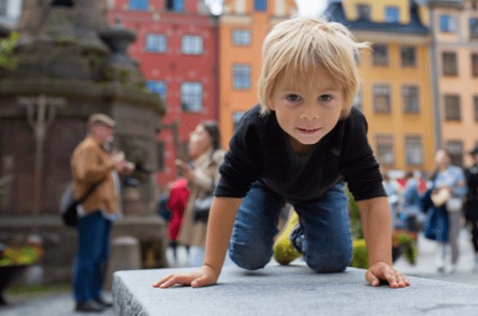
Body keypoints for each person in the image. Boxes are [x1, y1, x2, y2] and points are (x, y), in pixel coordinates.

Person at [154, 17, 409, 289]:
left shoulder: (350, 125)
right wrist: (210, 267)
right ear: (271, 95)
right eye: (293, 98)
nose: (310, 114)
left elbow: (371, 194)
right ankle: (276, 230)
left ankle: (297, 234)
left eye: (325, 98)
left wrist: (381, 261)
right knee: (247, 257)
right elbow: (227, 193)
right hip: (265, 185)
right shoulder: (254, 126)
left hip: (323, 188)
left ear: (345, 97)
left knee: (332, 261)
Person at [71, 113, 133, 312]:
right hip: (93, 209)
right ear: (95, 128)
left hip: (104, 210)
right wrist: (112, 164)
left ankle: (94, 295)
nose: (109, 134)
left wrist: (120, 168)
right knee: (89, 255)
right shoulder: (88, 148)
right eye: (106, 129)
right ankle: (83, 298)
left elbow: (104, 172)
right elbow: (85, 173)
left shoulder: (99, 149)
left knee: (99, 256)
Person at [176, 121, 225, 267]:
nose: (194, 137)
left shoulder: (219, 156)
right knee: (196, 257)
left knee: (203, 258)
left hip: (209, 213)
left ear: (212, 137)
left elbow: (220, 186)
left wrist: (193, 176)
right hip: (199, 213)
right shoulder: (201, 159)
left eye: (199, 133)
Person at [430, 149, 466, 274]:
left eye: (443, 157)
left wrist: (450, 189)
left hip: (453, 207)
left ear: (448, 158)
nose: (441, 160)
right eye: (438, 157)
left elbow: (463, 190)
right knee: (440, 234)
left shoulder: (456, 172)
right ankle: (440, 261)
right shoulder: (436, 173)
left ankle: (453, 262)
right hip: (439, 207)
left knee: (453, 236)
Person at [167, 178, 189, 265]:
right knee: (187, 237)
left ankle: (174, 256)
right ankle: (188, 255)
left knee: (174, 238)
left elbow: (171, 204)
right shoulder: (185, 189)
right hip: (185, 217)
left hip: (176, 217)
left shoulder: (175, 189)